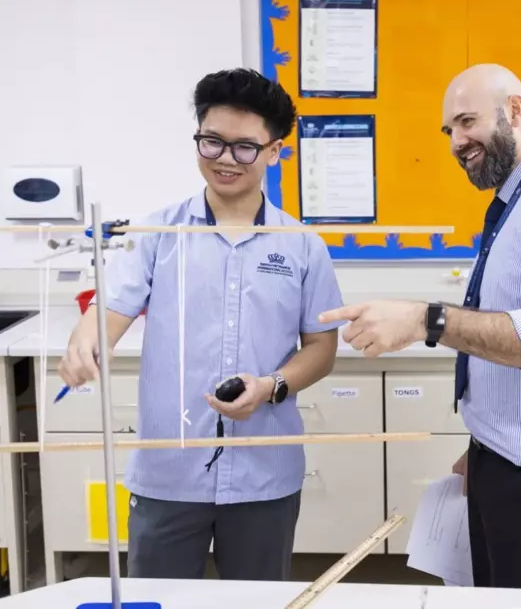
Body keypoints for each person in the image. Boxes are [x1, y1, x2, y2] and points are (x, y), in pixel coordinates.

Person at [319, 63, 521, 591]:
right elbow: (512, 329)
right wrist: (485, 450)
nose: (456, 142)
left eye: (467, 122)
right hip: (506, 463)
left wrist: (426, 320)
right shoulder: (518, 199)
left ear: (515, 110)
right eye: (449, 130)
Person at [57, 68, 344, 581]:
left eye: (244, 147)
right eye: (212, 142)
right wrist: (86, 342)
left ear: (274, 151)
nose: (225, 159)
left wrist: (271, 386)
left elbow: (321, 348)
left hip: (263, 473)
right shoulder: (157, 235)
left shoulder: (303, 245)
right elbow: (108, 313)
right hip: (168, 472)